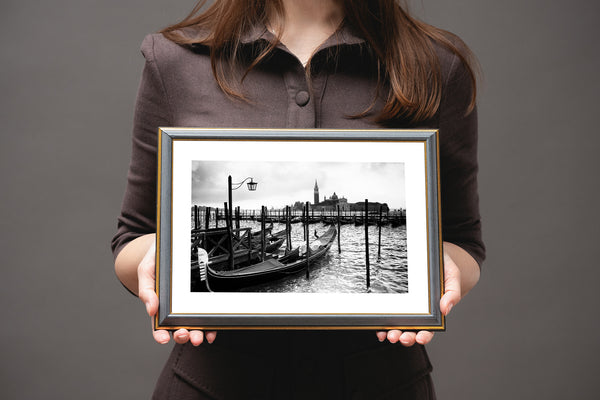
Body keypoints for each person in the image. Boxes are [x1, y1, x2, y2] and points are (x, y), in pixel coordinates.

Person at [112, 0, 484, 398]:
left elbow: (464, 242)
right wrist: (158, 262)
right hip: (213, 386)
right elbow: (131, 239)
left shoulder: (437, 66)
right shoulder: (173, 61)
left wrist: (435, 274)